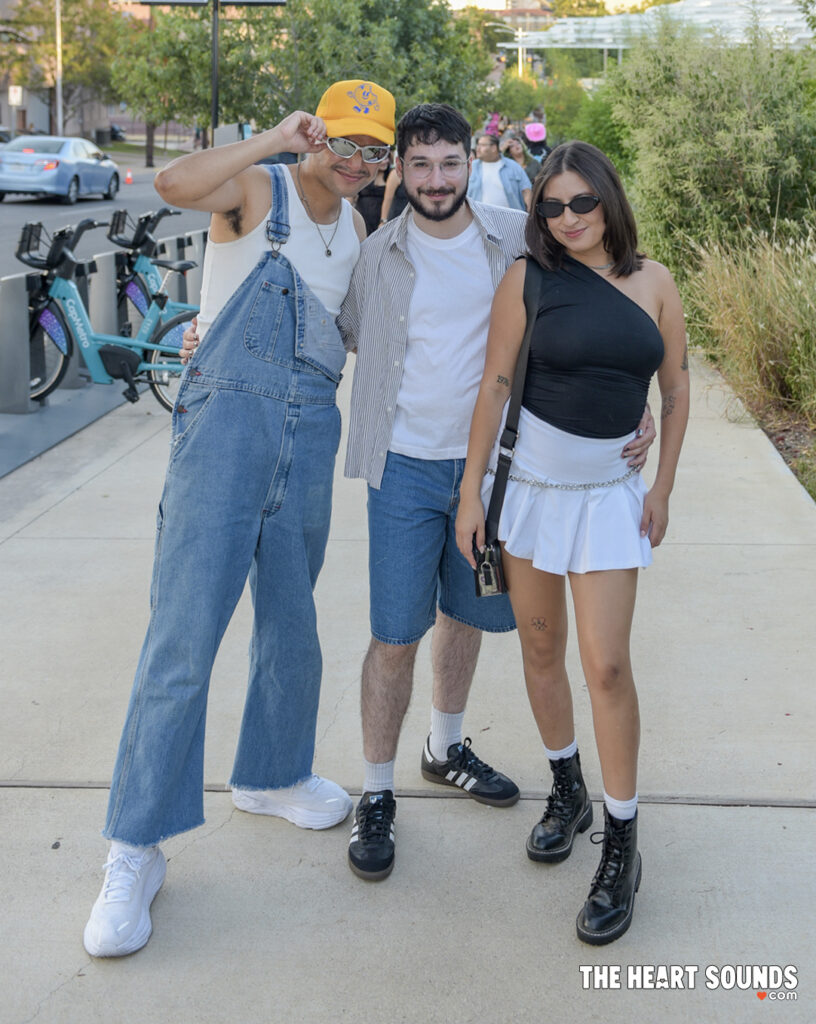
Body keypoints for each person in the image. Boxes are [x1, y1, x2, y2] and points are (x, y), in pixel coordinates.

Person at [82, 79, 396, 958]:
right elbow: (172, 187)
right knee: (183, 637)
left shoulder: (361, 230)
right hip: (223, 430)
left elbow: (357, 335)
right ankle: (135, 846)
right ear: (317, 135)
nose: (357, 160)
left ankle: (273, 773)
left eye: (374, 148)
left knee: (292, 624)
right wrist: (268, 139)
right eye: (344, 141)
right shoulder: (263, 190)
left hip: (307, 431)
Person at [337, 108, 655, 882]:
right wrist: (200, 330)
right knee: (394, 633)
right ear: (399, 170)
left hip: (497, 473)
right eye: (421, 165)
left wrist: (631, 399)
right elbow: (332, 330)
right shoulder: (374, 255)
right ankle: (376, 793)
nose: (437, 179)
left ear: (467, 162)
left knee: (468, 617)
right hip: (406, 466)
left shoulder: (520, 234)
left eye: (450, 163)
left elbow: (606, 310)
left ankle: (445, 747)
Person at [455, 140, 689, 944]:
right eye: (551, 207)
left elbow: (677, 382)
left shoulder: (655, 281)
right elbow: (493, 381)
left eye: (582, 203)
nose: (568, 219)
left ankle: (620, 838)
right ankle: (567, 789)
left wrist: (661, 483)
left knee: (608, 664)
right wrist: (469, 493)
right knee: (541, 650)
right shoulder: (527, 279)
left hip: (611, 499)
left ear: (609, 201)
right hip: (528, 496)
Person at [467, 132, 531, 211]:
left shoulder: (513, 166)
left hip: (511, 219)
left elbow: (526, 190)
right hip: (478, 219)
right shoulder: (470, 167)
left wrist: (530, 212)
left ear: (494, 148)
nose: (478, 148)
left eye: (482, 145)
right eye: (478, 145)